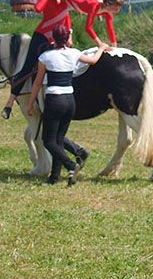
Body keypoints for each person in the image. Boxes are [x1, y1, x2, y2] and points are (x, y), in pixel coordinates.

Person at [0, 0, 75, 119]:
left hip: (60, 36)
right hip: (42, 35)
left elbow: (66, 16)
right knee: (28, 68)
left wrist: (69, 34)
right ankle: (10, 102)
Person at [26, 24, 105, 185]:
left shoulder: (45, 57)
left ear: (53, 38)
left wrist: (30, 103)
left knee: (48, 140)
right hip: (70, 101)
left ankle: (71, 165)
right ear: (67, 37)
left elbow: (37, 83)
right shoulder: (74, 53)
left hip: (54, 100)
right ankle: (54, 177)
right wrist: (101, 48)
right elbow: (93, 61)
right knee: (59, 140)